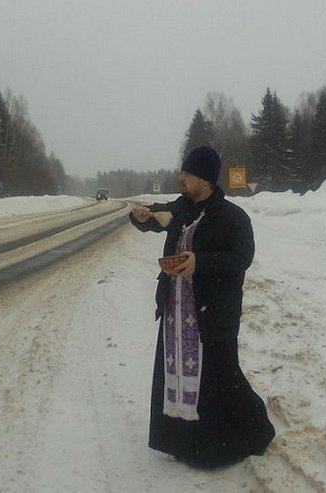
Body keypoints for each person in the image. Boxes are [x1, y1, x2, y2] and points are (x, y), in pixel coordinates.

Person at [129, 146, 275, 469]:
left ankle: (250, 433)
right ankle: (182, 444)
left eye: (188, 174)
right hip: (176, 316)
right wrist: (141, 215)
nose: (181, 178)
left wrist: (201, 262)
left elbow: (241, 258)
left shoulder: (233, 218)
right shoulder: (181, 210)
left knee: (222, 381)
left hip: (212, 317)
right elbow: (157, 216)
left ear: (206, 179)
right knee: (176, 378)